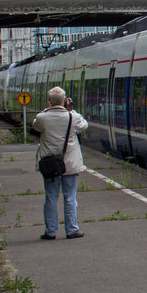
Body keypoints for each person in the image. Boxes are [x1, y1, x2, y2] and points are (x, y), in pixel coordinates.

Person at [33, 86, 89, 240]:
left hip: (50, 164)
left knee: (50, 198)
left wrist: (47, 109)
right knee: (70, 197)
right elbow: (84, 125)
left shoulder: (42, 117)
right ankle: (72, 229)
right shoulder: (72, 117)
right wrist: (72, 110)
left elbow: (35, 125)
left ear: (49, 102)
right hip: (69, 164)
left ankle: (50, 231)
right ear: (65, 101)